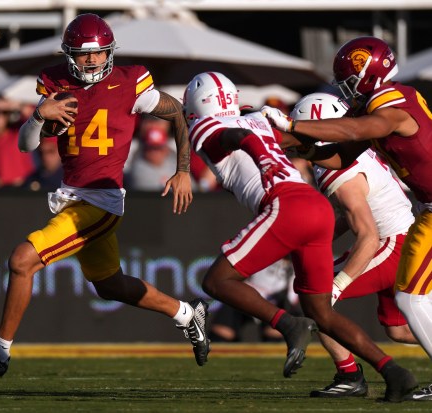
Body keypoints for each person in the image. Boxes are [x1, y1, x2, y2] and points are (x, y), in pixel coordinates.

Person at [0, 13, 206, 377]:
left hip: (101, 199)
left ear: (109, 52)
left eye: (99, 53)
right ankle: (186, 313)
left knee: (23, 260)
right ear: (69, 54)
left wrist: (182, 170)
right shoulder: (55, 84)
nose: (91, 61)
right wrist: (39, 115)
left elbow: (178, 111)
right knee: (109, 284)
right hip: (73, 195)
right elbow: (25, 146)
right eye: (84, 55)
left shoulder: (130, 83)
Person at [184, 71, 417, 402]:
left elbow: (237, 135)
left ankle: (287, 325)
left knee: (217, 281)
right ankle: (393, 373)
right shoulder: (262, 123)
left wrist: (261, 156)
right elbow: (258, 127)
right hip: (315, 209)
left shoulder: (209, 127)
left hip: (288, 205)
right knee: (320, 310)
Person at [262, 36, 432, 401]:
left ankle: (351, 374)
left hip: (406, 229)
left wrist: (292, 125)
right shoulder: (380, 107)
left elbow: (353, 132)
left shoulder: (391, 104)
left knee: (396, 302)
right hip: (423, 216)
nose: (345, 92)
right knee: (406, 320)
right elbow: (339, 155)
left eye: (349, 82)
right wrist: (285, 140)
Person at [288, 92, 418, 398]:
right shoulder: (350, 152)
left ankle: (349, 375)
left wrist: (337, 285)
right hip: (402, 238)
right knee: (398, 330)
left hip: (391, 243)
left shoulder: (340, 171)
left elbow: (369, 235)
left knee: (316, 301)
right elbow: (353, 215)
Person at [126, 125, 178, 191]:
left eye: (158, 148)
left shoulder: (174, 164)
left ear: (166, 149)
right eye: (151, 148)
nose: (155, 152)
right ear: (144, 149)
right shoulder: (138, 169)